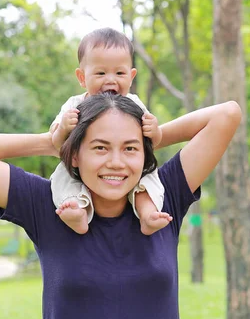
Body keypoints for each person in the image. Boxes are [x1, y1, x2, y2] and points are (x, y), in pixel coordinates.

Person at [0, 93, 241, 319]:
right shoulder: (48, 205)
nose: (116, 162)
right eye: (100, 147)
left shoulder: (163, 198)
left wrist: (153, 136)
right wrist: (51, 142)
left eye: (130, 148)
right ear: (75, 156)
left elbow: (226, 114)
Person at [50, 27, 167, 236]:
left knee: (149, 176)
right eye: (101, 73)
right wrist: (64, 129)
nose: (111, 80)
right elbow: (56, 143)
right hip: (81, 169)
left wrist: (154, 130)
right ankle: (77, 210)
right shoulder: (74, 105)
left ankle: (148, 214)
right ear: (82, 77)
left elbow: (152, 141)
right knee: (63, 176)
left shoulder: (134, 105)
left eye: (120, 73)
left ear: (131, 76)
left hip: (129, 173)